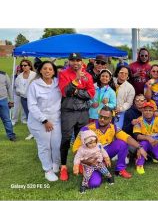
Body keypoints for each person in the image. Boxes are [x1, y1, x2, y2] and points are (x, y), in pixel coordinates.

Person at [73, 106, 147, 185]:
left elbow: (127, 137)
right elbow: (75, 149)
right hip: (91, 158)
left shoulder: (113, 127)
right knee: (94, 184)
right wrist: (86, 161)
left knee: (122, 143)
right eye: (100, 117)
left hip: (105, 152)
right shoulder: (86, 129)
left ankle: (120, 170)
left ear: (110, 119)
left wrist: (140, 147)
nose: (102, 119)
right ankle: (95, 169)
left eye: (105, 118)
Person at [58, 52, 95, 181]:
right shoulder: (63, 73)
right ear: (69, 61)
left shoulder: (88, 75)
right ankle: (63, 167)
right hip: (68, 111)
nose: (76, 63)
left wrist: (76, 91)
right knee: (66, 139)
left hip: (83, 112)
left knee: (82, 139)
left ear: (81, 61)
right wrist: (76, 80)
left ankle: (79, 163)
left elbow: (91, 94)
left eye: (78, 60)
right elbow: (66, 92)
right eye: (73, 61)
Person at [27, 61, 62, 181]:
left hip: (56, 119)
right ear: (40, 70)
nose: (47, 71)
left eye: (50, 69)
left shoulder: (58, 83)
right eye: (45, 69)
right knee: (45, 146)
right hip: (39, 121)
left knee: (56, 144)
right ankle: (48, 170)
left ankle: (55, 164)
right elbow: (32, 106)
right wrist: (44, 120)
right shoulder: (34, 85)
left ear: (54, 72)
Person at [15, 59, 36, 140]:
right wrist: (19, 91)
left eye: (25, 65)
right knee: (29, 117)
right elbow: (16, 87)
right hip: (24, 99)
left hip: (33, 99)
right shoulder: (19, 76)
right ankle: (31, 133)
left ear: (30, 66)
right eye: (22, 65)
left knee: (35, 116)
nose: (23, 67)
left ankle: (37, 132)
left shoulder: (34, 75)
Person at [0, 69, 16, 141]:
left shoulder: (3, 74)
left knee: (6, 119)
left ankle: (11, 135)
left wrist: (11, 100)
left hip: (3, 100)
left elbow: (9, 87)